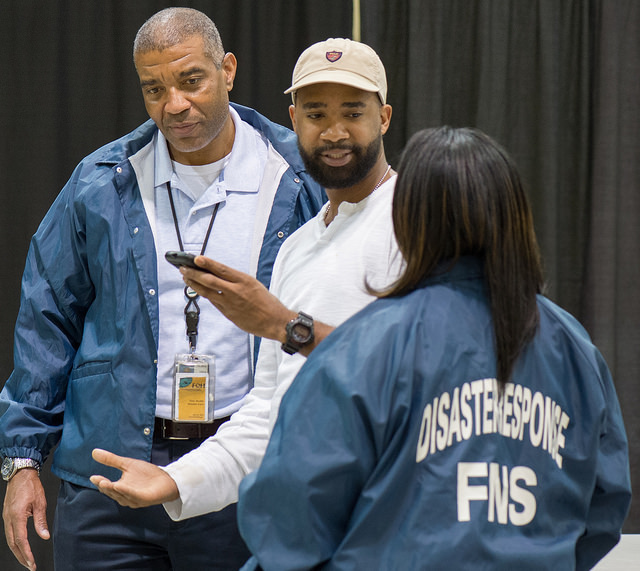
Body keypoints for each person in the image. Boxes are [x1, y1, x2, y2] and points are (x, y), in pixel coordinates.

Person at [0, 7, 324, 571]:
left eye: (191, 80)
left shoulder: (296, 176)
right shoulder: (102, 181)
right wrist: (22, 460)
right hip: (112, 473)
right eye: (154, 89)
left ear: (228, 69)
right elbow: (44, 316)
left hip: (242, 470)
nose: (174, 104)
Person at [235, 127, 632, 571]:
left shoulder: (367, 343)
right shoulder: (574, 346)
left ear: (407, 220)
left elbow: (290, 515)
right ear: (515, 214)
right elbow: (605, 504)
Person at [89, 37, 403, 524]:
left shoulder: (418, 224)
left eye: (353, 113)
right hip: (310, 518)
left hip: (392, 509)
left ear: (382, 118)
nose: (335, 132)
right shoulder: (299, 247)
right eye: (317, 114)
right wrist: (176, 481)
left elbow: (425, 378)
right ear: (295, 120)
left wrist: (288, 327)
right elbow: (265, 415)